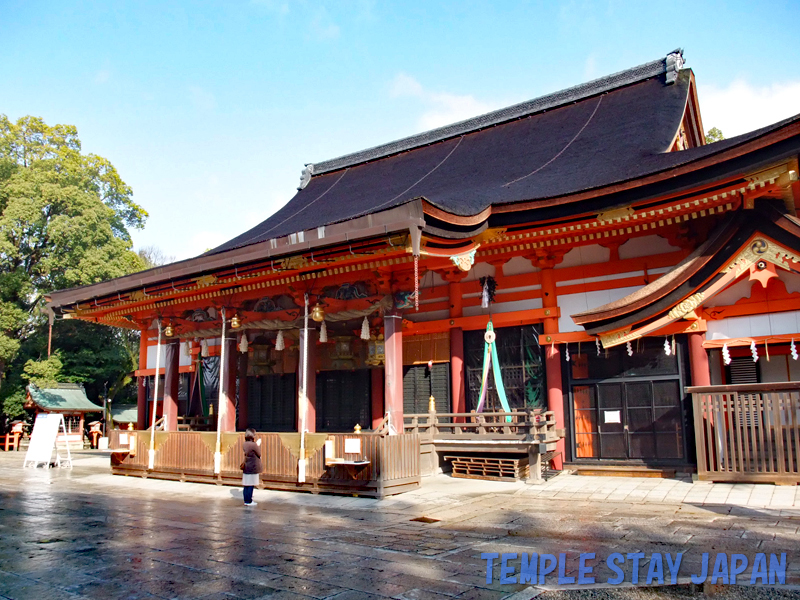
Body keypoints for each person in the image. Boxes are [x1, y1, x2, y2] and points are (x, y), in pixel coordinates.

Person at [241, 428, 262, 506]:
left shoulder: (245, 444)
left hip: (247, 465)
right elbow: (259, 454)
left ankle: (246, 500)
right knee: (251, 484)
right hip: (253, 466)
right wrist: (257, 444)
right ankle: (249, 501)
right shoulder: (253, 445)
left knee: (246, 484)